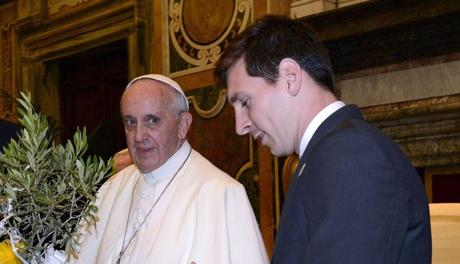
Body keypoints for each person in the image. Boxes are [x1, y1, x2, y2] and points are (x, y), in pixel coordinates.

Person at [215, 15, 431, 263]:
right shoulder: (329, 153)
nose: (240, 126)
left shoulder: (350, 155)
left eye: (245, 102)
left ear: (290, 78)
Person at [71, 74, 269, 264]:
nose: (138, 135)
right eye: (130, 122)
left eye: (152, 120)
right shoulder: (110, 190)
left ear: (183, 125)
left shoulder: (221, 194)